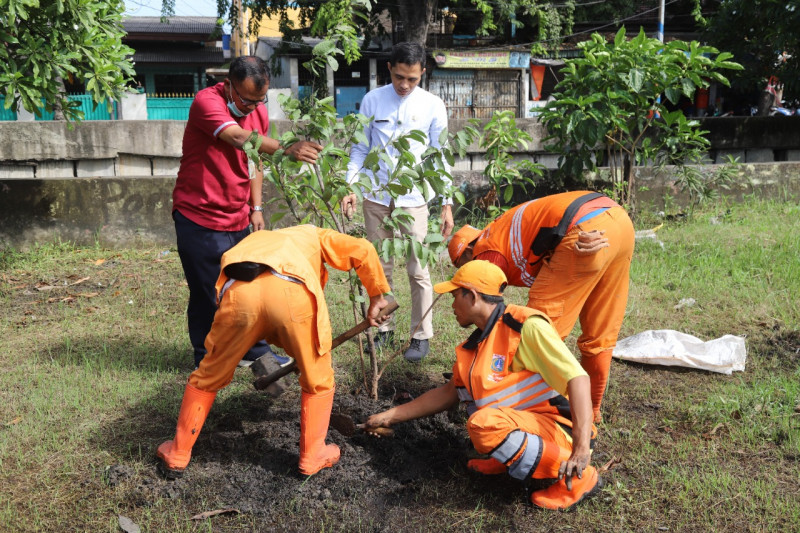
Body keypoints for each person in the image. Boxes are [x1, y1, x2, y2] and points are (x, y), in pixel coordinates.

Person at [157, 225, 392, 479]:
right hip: (292, 294)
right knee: (318, 379)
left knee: (208, 374)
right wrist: (376, 296)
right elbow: (363, 249)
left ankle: (177, 454)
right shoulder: (314, 234)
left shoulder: (258, 240)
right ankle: (312, 456)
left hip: (238, 295)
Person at [363, 261, 601, 510]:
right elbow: (448, 393)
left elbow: (578, 378)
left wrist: (581, 449)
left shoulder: (525, 326)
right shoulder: (476, 347)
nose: (452, 306)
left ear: (473, 296)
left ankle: (580, 477)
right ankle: (508, 457)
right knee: (479, 411)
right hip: (528, 424)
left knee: (483, 424)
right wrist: (389, 416)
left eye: (455, 296)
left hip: (560, 431)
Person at [172, 55, 323, 368]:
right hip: (199, 215)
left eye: (260, 100)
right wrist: (287, 148)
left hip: (238, 214)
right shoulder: (206, 102)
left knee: (247, 286)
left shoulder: (258, 112)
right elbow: (239, 138)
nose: (253, 107)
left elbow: (256, 161)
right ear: (228, 86)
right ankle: (207, 357)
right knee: (207, 291)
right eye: (247, 100)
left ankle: (252, 351)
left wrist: (256, 207)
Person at [447, 191, 635, 423]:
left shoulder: (484, 251)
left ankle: (535, 412)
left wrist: (470, 372)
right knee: (601, 333)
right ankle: (592, 410)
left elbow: (487, 311)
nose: (465, 274)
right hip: (619, 224)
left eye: (462, 266)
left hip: (584, 230)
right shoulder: (500, 231)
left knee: (534, 333)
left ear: (468, 251)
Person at [340, 41, 453, 363]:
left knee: (418, 269)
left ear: (422, 73)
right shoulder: (372, 100)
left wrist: (446, 203)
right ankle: (384, 329)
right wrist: (351, 186)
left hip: (414, 198)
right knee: (379, 267)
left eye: (412, 79)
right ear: (389, 69)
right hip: (376, 195)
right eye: (399, 77)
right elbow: (360, 149)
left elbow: (440, 155)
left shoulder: (433, 105)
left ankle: (421, 335)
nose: (404, 85)